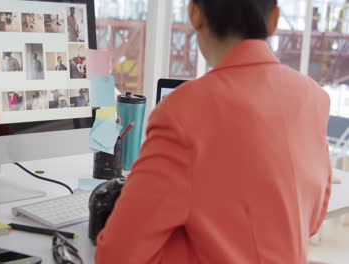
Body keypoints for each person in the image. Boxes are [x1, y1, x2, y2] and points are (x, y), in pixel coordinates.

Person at [95, 0, 331, 263]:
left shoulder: (183, 111)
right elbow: (308, 223)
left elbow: (116, 255)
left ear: (195, 14)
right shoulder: (314, 98)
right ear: (274, 20)